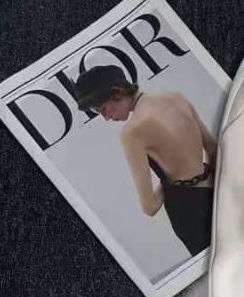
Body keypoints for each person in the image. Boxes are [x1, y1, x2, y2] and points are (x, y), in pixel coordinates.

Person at [73, 64, 217, 256]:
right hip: (216, 193)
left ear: (117, 93)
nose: (106, 118)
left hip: (189, 213)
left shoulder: (132, 132)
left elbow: (150, 206)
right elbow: (213, 149)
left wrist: (169, 181)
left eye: (103, 109)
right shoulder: (176, 98)